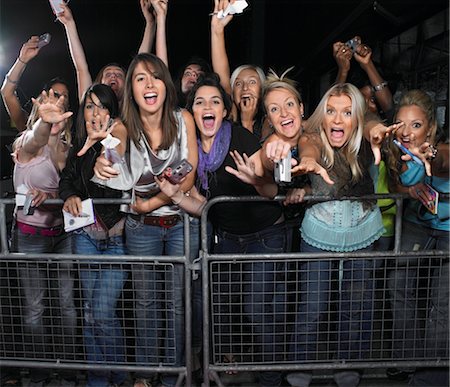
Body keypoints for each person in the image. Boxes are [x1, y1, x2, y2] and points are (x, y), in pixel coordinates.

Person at [155, 72, 288, 386]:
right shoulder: (193, 153)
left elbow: (271, 191)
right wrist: (175, 195)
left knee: (257, 309)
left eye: (215, 101)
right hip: (226, 236)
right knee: (222, 306)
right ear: (192, 112)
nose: (208, 106)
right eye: (200, 102)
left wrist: (256, 177)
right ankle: (226, 362)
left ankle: (272, 376)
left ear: (225, 111)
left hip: (264, 233)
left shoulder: (241, 138)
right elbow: (205, 208)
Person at [92, 52, 198, 387]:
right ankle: (147, 376)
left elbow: (190, 178)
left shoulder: (184, 119)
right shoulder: (124, 126)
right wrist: (104, 161)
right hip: (142, 232)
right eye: (139, 78)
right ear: (133, 91)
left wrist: (149, 202)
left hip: (182, 225)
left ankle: (174, 378)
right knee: (145, 306)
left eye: (154, 76)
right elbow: (113, 149)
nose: (148, 83)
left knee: (179, 306)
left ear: (165, 84)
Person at [286, 83, 387, 387]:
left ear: (356, 118)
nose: (338, 119)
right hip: (319, 234)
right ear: (323, 115)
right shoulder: (313, 137)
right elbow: (308, 146)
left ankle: (349, 370)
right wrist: (307, 160)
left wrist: (375, 128)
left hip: (363, 233)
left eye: (346, 112)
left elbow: (372, 125)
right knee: (312, 306)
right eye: (331, 111)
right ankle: (298, 373)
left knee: (356, 308)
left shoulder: (368, 141)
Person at [59, 83, 129, 387]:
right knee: (90, 313)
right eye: (89, 106)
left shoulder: (118, 141)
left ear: (111, 113)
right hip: (85, 236)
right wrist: (69, 196)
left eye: (102, 106)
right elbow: (67, 180)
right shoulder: (77, 149)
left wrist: (106, 145)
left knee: (101, 311)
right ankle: (100, 379)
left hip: (116, 239)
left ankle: (120, 374)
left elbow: (116, 164)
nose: (95, 112)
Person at [11, 89, 76, 387]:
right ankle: (37, 373)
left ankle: (66, 370)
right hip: (30, 237)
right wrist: (42, 125)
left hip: (61, 234)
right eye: (51, 107)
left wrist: (51, 195)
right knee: (35, 308)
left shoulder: (67, 149)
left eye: (61, 107)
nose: (56, 111)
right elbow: (34, 138)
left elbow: (67, 190)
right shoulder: (26, 144)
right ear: (40, 113)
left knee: (66, 306)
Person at [384, 89, 449, 386]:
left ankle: (430, 371)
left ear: (431, 127)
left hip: (448, 230)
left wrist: (431, 155)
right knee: (399, 286)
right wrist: (409, 191)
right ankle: (404, 359)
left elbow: (445, 161)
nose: (407, 132)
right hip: (415, 224)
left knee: (442, 301)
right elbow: (396, 186)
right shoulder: (396, 151)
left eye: (416, 124)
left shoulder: (442, 148)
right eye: (401, 123)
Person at [333, 36, 396, 251]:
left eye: (373, 100)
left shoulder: (386, 133)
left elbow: (389, 107)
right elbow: (334, 108)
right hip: (352, 221)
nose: (369, 105)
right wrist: (343, 69)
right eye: (363, 99)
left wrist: (367, 64)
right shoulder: (344, 135)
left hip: (384, 219)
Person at [57, 0, 157, 104]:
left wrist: (151, 23)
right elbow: (81, 69)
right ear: (99, 83)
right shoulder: (90, 105)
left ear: (129, 85)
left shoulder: (134, 110)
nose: (113, 76)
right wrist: (69, 24)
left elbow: (139, 65)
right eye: (108, 74)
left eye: (119, 75)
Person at [210, 0, 270, 140]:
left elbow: (252, 157)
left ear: (262, 89)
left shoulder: (270, 122)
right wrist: (216, 30)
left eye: (252, 82)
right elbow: (222, 74)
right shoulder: (228, 116)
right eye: (238, 83)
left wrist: (247, 122)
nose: (245, 88)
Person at [1, 35, 70, 132]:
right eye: (55, 94)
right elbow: (6, 92)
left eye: (65, 96)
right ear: (43, 97)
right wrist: (22, 60)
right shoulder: (29, 126)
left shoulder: (73, 136)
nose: (60, 98)